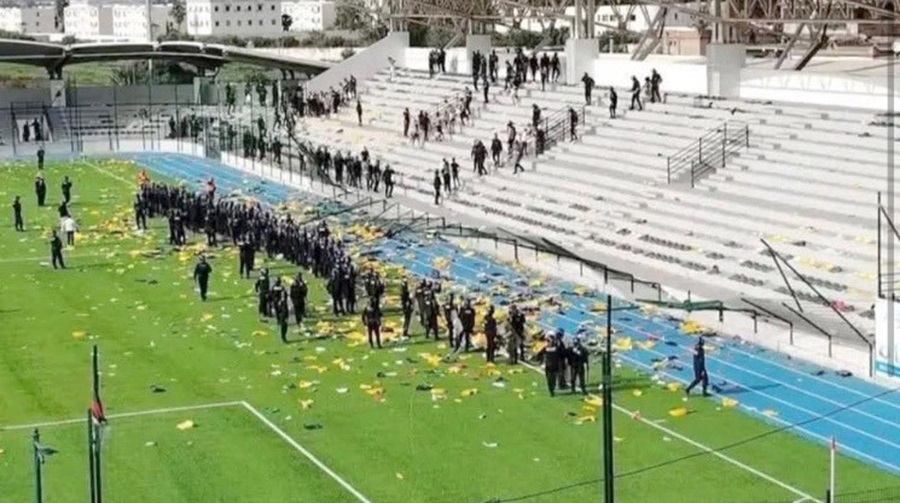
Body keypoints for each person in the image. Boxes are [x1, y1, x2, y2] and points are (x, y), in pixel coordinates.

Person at [539, 331, 563, 397]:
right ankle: (552, 389)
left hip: (549, 365)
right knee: (553, 378)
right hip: (554, 365)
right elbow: (561, 354)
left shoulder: (546, 348)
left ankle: (551, 390)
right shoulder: (556, 348)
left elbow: (540, 353)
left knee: (549, 379)